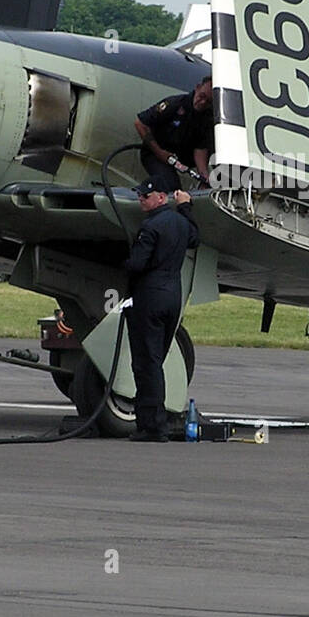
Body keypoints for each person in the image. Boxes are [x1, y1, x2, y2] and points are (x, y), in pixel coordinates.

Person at [123, 181, 198, 442]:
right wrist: (186, 206)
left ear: (161, 197)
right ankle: (155, 421)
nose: (141, 199)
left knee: (146, 363)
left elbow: (137, 264)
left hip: (150, 297)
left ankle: (152, 426)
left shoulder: (150, 226)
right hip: (172, 296)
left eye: (145, 195)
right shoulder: (180, 222)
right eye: (139, 195)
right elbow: (194, 238)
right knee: (155, 361)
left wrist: (124, 262)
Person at [134, 75, 212, 193]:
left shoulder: (206, 118)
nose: (202, 102)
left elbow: (200, 149)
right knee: (171, 186)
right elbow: (140, 123)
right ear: (197, 88)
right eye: (202, 96)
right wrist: (160, 153)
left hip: (179, 159)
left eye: (208, 102)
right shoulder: (175, 104)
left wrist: (204, 176)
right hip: (155, 153)